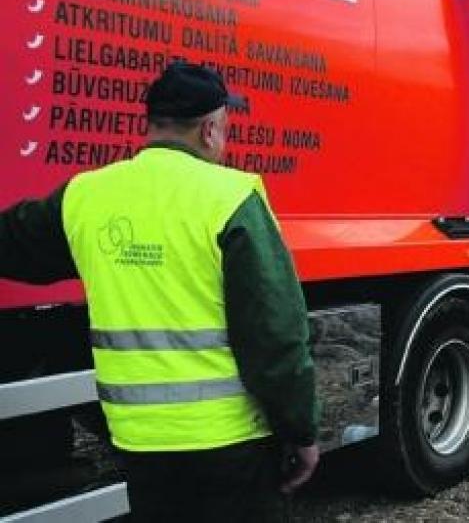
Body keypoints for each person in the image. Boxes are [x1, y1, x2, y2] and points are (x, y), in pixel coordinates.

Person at [0, 62, 319, 522]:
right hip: (229, 445)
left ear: (152, 125)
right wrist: (302, 431)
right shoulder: (231, 197)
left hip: (140, 443)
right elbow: (276, 335)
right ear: (210, 130)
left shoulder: (85, 195)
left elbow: (13, 245)